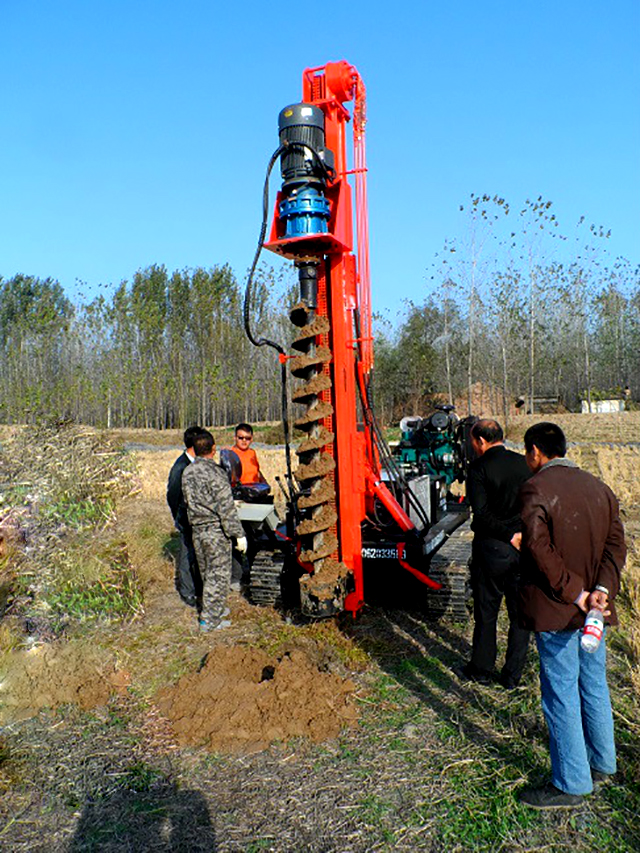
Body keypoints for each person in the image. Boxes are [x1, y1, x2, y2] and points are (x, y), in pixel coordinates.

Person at [517, 422, 626, 809]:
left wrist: (576, 593)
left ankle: (572, 782)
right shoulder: (599, 489)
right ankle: (602, 762)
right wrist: (602, 591)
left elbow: (537, 549)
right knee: (594, 686)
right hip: (594, 611)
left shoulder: (536, 489)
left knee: (561, 693)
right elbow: (616, 546)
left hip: (559, 611)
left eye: (528, 454)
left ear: (535, 452)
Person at [457, 419, 531, 687]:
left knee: (486, 612)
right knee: (519, 615)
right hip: (523, 548)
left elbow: (482, 515)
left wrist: (507, 535)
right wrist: (521, 534)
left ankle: (482, 669)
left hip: (492, 550)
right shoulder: (524, 464)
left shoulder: (478, 468)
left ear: (480, 441)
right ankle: (512, 676)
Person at [181, 430, 247, 632]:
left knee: (206, 573)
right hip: (215, 531)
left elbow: (187, 501)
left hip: (197, 530)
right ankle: (209, 621)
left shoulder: (188, 472)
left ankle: (214, 610)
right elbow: (226, 508)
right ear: (213, 449)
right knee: (218, 576)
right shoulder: (216, 473)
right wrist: (238, 534)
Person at [166, 425, 204, 607]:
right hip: (186, 519)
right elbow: (172, 495)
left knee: (196, 555)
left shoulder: (196, 464)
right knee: (186, 556)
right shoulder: (180, 467)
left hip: (196, 520)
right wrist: (180, 518)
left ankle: (197, 588)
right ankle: (187, 593)